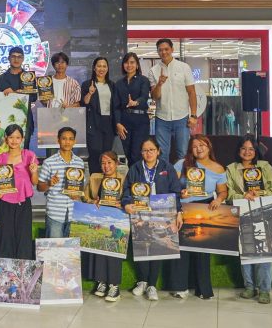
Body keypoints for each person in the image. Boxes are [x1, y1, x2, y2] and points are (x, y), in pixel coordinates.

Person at [165, 134, 228, 300]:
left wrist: (219, 200)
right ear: (190, 149)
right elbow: (171, 185)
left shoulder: (218, 168)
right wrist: (180, 193)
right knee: (181, 248)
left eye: (202, 145)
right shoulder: (182, 163)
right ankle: (180, 287)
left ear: (209, 146)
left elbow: (223, 191)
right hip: (183, 208)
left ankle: (203, 288)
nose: (199, 149)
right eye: (194, 146)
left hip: (205, 207)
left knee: (202, 250)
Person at [123, 138, 183, 301]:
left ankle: (152, 285)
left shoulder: (167, 168)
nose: (148, 153)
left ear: (158, 151)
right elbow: (127, 188)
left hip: (161, 212)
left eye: (151, 150)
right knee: (141, 245)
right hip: (140, 211)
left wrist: (178, 211)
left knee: (157, 246)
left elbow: (176, 191)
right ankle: (142, 281)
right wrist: (126, 204)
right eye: (145, 150)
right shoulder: (135, 168)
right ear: (141, 152)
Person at [225, 135, 272, 304]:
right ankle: (249, 287)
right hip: (243, 211)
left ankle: (264, 290)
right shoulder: (231, 169)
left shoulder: (265, 166)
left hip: (265, 210)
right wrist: (244, 195)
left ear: (256, 151)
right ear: (238, 151)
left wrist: (260, 193)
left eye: (251, 149)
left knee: (265, 252)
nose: (247, 152)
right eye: (243, 148)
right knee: (247, 250)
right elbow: (229, 195)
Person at [81, 151, 126, 302]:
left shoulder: (123, 179)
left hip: (117, 218)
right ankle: (101, 282)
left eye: (109, 163)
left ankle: (114, 285)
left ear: (116, 164)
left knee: (114, 251)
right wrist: (92, 201)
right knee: (99, 249)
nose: (106, 166)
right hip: (99, 217)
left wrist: (121, 203)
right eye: (103, 163)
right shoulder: (95, 177)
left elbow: (129, 198)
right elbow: (84, 196)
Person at [0, 124, 39, 259]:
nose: (14, 140)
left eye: (18, 137)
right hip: (4, 203)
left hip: (23, 203)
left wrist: (34, 172)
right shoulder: (0, 158)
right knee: (5, 236)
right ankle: (4, 268)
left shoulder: (29, 156)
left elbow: (35, 182)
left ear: (22, 139)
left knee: (24, 236)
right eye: (11, 137)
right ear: (6, 139)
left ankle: (23, 268)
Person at [150, 39, 197, 164]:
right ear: (157, 52)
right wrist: (159, 83)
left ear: (172, 49)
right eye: (160, 50)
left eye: (166, 49)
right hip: (162, 119)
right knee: (162, 154)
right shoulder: (153, 70)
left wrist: (193, 115)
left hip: (182, 118)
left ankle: (182, 177)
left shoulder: (184, 67)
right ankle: (164, 176)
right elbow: (155, 97)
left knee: (183, 154)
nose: (163, 52)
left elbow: (191, 92)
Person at [37, 127, 87, 237]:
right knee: (55, 246)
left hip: (74, 213)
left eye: (70, 139)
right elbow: (39, 187)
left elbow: (81, 187)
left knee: (72, 247)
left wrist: (77, 195)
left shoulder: (79, 162)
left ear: (74, 141)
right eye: (64, 138)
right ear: (58, 140)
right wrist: (49, 183)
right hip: (55, 214)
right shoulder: (49, 162)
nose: (67, 142)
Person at [0, 47, 37, 148]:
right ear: (9, 58)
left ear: (23, 59)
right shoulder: (1, 78)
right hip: (6, 118)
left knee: (24, 150)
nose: (16, 59)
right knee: (5, 150)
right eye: (13, 56)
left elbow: (33, 97)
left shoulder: (29, 78)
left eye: (19, 57)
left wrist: (16, 93)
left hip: (25, 118)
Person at [113, 52, 151, 166]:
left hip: (140, 121)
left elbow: (144, 96)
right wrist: (118, 123)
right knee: (128, 154)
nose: (129, 65)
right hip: (125, 122)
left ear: (137, 65)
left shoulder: (143, 80)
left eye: (132, 62)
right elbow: (116, 106)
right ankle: (133, 176)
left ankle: (139, 177)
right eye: (126, 62)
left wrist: (136, 102)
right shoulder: (119, 83)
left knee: (137, 154)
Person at [82, 57, 115, 176]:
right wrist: (90, 93)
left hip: (108, 123)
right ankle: (94, 180)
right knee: (95, 153)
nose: (102, 69)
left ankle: (106, 182)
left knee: (107, 154)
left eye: (104, 66)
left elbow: (115, 105)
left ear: (107, 68)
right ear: (94, 68)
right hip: (93, 122)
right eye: (99, 66)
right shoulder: (87, 84)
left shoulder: (112, 85)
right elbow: (84, 103)